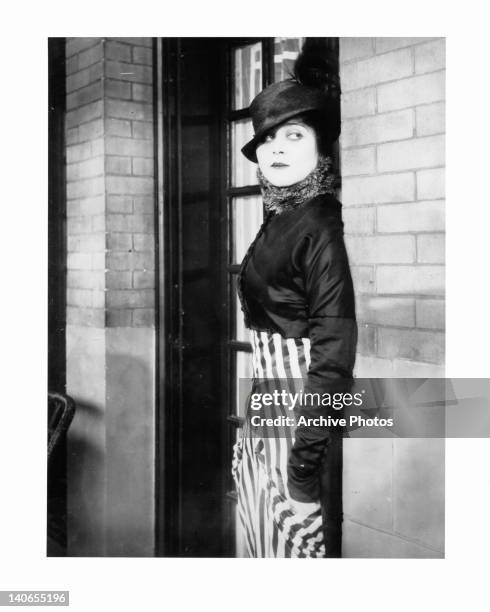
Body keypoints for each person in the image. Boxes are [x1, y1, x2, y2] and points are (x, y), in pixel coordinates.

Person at [232, 49, 358, 558]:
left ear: (320, 148)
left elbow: (332, 354)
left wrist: (303, 472)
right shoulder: (282, 213)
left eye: (294, 136)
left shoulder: (321, 222)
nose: (275, 150)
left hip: (300, 419)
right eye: (266, 139)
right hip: (268, 408)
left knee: (292, 554)